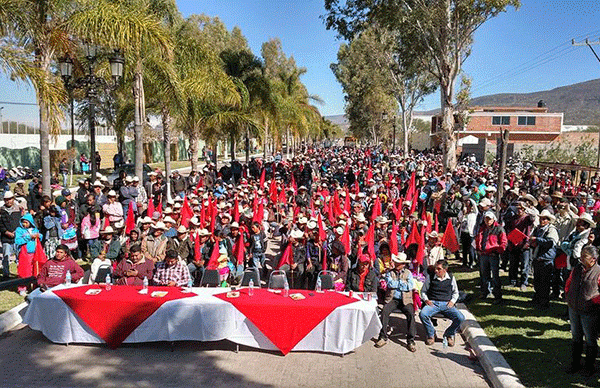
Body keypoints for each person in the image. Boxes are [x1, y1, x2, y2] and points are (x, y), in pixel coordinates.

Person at [565, 246, 600, 376]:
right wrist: (568, 295)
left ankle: (589, 367)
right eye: (581, 254)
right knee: (576, 337)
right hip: (574, 309)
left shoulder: (598, 272)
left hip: (589, 312)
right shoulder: (577, 268)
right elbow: (569, 282)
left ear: (593, 259)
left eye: (584, 256)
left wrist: (593, 303)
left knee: (590, 340)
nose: (581, 257)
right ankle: (575, 364)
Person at [374, 252, 417, 352]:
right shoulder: (390, 272)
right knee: (385, 311)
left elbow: (410, 286)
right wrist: (402, 284)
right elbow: (389, 284)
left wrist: (398, 284)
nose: (397, 264)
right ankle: (383, 337)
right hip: (392, 299)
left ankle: (410, 340)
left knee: (411, 313)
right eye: (396, 262)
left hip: (405, 300)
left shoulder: (408, 273)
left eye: (399, 263)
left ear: (403, 264)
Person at [419, 259, 465, 346]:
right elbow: (423, 291)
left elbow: (456, 292)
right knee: (423, 314)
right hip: (433, 303)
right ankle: (431, 334)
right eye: (436, 268)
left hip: (447, 304)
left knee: (460, 318)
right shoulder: (431, 277)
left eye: (439, 269)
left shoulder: (451, 278)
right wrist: (426, 300)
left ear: (445, 270)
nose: (436, 270)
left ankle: (449, 334)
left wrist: (452, 301)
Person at [475, 211, 507, 304]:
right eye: (486, 218)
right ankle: (485, 292)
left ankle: (497, 296)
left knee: (495, 276)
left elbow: (503, 242)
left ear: (493, 219)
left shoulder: (499, 229)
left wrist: (497, 251)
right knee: (484, 275)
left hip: (493, 255)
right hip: (483, 254)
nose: (488, 220)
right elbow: (478, 239)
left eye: (489, 219)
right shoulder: (482, 228)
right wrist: (478, 249)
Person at [530, 209, 559, 309]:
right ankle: (538, 298)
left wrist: (537, 240)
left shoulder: (552, 230)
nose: (542, 221)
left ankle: (544, 302)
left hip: (546, 259)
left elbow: (550, 243)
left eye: (544, 219)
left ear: (548, 220)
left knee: (545, 283)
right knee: (537, 281)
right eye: (541, 218)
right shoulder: (537, 228)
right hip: (537, 258)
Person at [0, 191, 22, 279]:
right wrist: (6, 232)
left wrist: (17, 232)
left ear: (13, 199)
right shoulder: (1, 211)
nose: (8, 201)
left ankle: (20, 273)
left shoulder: (18, 210)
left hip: (17, 237)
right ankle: (6, 274)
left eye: (10, 199)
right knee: (6, 256)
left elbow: (20, 222)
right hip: (5, 237)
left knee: (19, 256)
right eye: (6, 200)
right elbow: (0, 224)